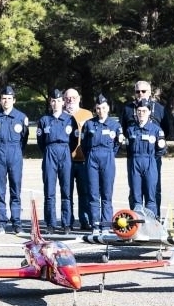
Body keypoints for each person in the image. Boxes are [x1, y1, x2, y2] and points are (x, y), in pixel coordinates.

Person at [121, 80, 169, 217]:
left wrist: (156, 152)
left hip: (152, 158)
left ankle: (154, 219)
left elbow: (165, 131)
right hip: (134, 158)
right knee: (135, 192)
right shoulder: (128, 109)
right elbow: (125, 132)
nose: (140, 94)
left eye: (143, 91)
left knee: (153, 190)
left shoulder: (159, 109)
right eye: (137, 91)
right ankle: (136, 222)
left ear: (149, 92)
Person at [0, 86, 29, 236]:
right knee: (0, 191)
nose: (6, 101)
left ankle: (17, 223)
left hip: (15, 154)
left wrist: (17, 152)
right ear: (0, 100)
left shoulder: (21, 117)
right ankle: (0, 224)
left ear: (14, 100)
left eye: (9, 98)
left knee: (15, 191)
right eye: (4, 98)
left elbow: (24, 139)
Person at [36, 89, 78, 234]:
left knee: (67, 191)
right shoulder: (44, 120)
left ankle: (67, 223)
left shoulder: (70, 119)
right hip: (49, 153)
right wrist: (49, 151)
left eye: (59, 101)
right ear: (50, 102)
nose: (56, 103)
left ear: (63, 102)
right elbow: (40, 142)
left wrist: (65, 150)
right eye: (53, 101)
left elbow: (74, 140)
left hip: (65, 152)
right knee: (49, 191)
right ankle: (50, 224)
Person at [81, 94, 123, 234]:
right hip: (92, 158)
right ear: (95, 109)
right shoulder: (89, 124)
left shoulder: (115, 125)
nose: (101, 111)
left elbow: (118, 144)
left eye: (103, 108)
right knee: (93, 193)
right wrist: (91, 155)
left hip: (108, 157)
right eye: (98, 108)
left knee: (106, 194)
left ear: (108, 108)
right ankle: (95, 224)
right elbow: (84, 145)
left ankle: (105, 225)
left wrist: (109, 154)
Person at [64, 88, 95, 231]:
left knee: (84, 192)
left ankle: (85, 220)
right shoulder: (60, 115)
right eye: (68, 98)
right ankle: (68, 222)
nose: (70, 100)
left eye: (73, 97)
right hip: (65, 161)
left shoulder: (87, 114)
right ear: (64, 100)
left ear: (79, 98)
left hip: (83, 160)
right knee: (67, 193)